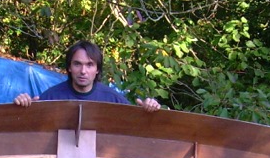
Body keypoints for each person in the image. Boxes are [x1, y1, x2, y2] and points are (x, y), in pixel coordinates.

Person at [13, 40, 161, 111]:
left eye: (89, 65)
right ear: (69, 67)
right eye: (77, 64)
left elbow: (135, 128)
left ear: (97, 69)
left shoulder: (113, 99)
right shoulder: (52, 97)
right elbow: (27, 129)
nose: (83, 71)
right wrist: (23, 106)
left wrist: (149, 110)